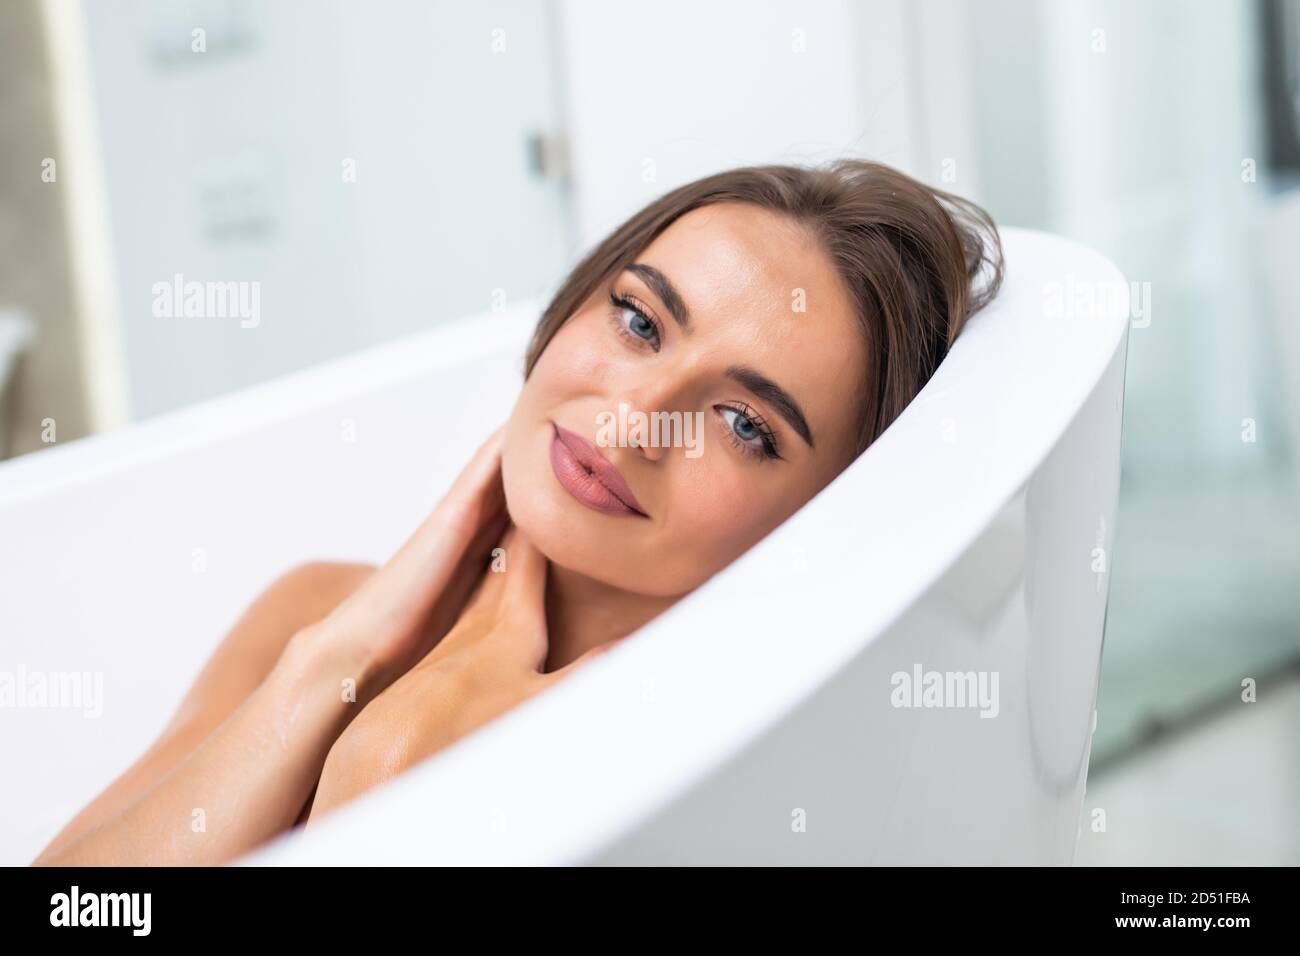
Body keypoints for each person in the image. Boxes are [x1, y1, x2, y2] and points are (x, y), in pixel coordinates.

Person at [32, 158, 1003, 865]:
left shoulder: (720, 763)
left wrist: (383, 775)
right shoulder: (315, 613)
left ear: (825, 510)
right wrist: (330, 668)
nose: (631, 421)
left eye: (744, 423)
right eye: (637, 319)